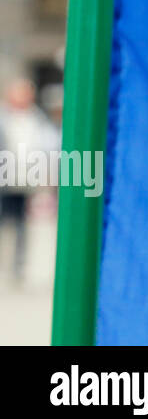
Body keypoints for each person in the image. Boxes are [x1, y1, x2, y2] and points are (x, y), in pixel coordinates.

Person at [0, 78, 58, 284]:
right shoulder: (3, 118)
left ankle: (18, 267)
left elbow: (49, 145)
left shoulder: (37, 119)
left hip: (24, 180)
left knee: (21, 225)